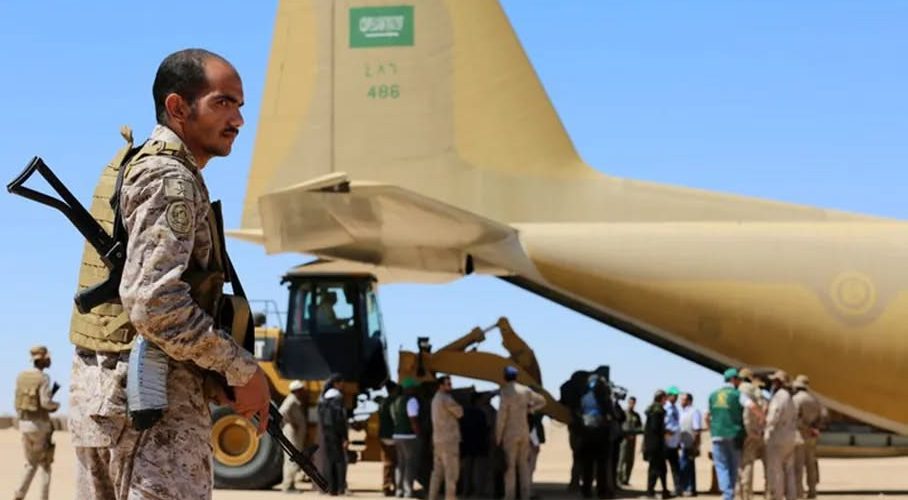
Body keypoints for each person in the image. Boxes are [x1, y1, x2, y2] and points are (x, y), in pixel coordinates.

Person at [69, 48, 270, 499]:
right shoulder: (168, 178)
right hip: (150, 409)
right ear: (178, 107)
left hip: (109, 399)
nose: (238, 119)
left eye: (240, 105)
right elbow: (154, 304)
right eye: (223, 103)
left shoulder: (138, 164)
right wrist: (241, 370)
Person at [13, 346, 60, 500]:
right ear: (42, 360)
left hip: (24, 424)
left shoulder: (21, 377)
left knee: (30, 463)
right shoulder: (43, 378)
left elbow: (17, 402)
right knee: (45, 464)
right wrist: (56, 405)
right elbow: (45, 402)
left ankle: (19, 494)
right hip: (40, 426)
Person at [496, 366, 546, 500]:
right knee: (524, 466)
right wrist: (531, 409)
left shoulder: (505, 392)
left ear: (505, 377)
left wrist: (498, 437)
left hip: (509, 433)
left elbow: (502, 417)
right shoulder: (525, 391)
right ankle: (526, 494)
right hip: (524, 431)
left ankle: (509, 496)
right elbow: (542, 401)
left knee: (510, 467)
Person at [707, 368, 745, 500]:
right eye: (738, 379)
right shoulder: (737, 394)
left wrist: (712, 430)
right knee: (734, 466)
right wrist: (762, 417)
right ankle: (729, 494)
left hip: (717, 435)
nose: (740, 382)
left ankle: (727, 494)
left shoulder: (713, 395)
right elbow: (751, 406)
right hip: (734, 435)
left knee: (722, 466)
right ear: (733, 380)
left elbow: (707, 416)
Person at [577, 373, 615, 499]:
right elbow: (612, 415)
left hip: (587, 434)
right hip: (601, 434)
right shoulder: (605, 399)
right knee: (601, 466)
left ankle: (586, 490)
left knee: (587, 465)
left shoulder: (584, 398)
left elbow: (580, 412)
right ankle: (601, 491)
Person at [734, 368, 767, 500]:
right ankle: (747, 494)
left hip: (739, 430)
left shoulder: (738, 390)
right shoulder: (754, 389)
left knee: (739, 463)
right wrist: (758, 426)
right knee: (748, 462)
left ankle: (739, 493)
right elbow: (763, 406)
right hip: (752, 430)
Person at [429, 375, 464, 500]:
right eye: (448, 384)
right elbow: (460, 413)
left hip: (438, 440)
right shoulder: (446, 398)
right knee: (451, 473)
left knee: (437, 473)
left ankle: (432, 496)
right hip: (449, 440)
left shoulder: (435, 399)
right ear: (441, 386)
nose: (451, 386)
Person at [764, 371, 797, 500]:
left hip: (778, 436)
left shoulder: (779, 396)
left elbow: (774, 416)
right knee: (789, 470)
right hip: (790, 436)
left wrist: (766, 426)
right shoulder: (789, 397)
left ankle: (777, 496)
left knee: (776, 470)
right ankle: (791, 496)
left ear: (778, 382)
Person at [792, 375, 824, 499]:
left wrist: (805, 427)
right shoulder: (814, 399)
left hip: (800, 435)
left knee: (798, 466)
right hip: (812, 436)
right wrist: (814, 428)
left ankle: (799, 492)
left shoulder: (796, 399)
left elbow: (794, 418)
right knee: (811, 464)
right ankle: (812, 490)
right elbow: (823, 416)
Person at [318, 376, 349, 495]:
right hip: (336, 434)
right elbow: (340, 419)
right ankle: (340, 488)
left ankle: (331, 488)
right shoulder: (338, 398)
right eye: (341, 383)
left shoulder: (323, 399)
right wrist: (345, 437)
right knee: (340, 461)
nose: (343, 385)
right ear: (336, 384)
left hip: (326, 433)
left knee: (329, 460)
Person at [393, 377, 422, 498]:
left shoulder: (397, 400)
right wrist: (418, 433)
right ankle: (408, 491)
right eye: (414, 387)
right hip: (408, 436)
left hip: (397, 435)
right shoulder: (412, 401)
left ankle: (399, 490)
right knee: (410, 463)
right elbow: (413, 419)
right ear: (409, 389)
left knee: (400, 464)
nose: (415, 390)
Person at [460, 392, 492, 498]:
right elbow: (485, 429)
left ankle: (466, 492)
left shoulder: (464, 412)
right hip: (479, 445)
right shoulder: (481, 413)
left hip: (466, 445)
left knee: (467, 471)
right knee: (478, 471)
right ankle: (478, 493)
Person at [280, 380, 309, 493]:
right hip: (292, 433)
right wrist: (292, 422)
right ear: (297, 391)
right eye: (301, 390)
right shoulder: (291, 400)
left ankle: (289, 484)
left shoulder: (295, 400)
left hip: (295, 434)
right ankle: (288, 486)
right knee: (292, 459)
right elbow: (282, 412)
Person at [643, 390, 671, 499]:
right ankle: (650, 492)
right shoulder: (657, 410)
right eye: (665, 398)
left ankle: (664, 491)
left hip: (653, 443)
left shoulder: (653, 409)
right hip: (656, 444)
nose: (666, 400)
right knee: (655, 468)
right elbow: (655, 428)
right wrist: (664, 432)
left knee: (662, 468)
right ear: (662, 398)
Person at [379, 382, 401, 496]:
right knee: (394, 463)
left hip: (383, 435)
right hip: (392, 435)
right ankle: (393, 486)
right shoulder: (395, 402)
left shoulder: (383, 402)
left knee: (387, 462)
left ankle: (387, 486)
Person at [678, 393, 702, 496]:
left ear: (689, 401)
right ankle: (685, 488)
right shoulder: (682, 412)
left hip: (690, 444)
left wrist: (695, 445)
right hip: (683, 444)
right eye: (681, 400)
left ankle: (689, 488)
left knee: (687, 466)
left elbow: (697, 430)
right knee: (684, 466)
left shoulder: (694, 412)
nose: (681, 402)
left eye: (683, 400)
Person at [618, 396, 643, 486]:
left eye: (633, 403)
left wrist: (634, 433)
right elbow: (619, 426)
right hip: (623, 440)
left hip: (632, 440)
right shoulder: (623, 414)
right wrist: (625, 434)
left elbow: (640, 428)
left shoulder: (636, 415)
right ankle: (619, 479)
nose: (631, 404)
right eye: (630, 402)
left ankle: (626, 479)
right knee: (621, 460)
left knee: (630, 461)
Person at [664, 386, 682, 496]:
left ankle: (677, 488)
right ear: (668, 395)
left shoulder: (675, 408)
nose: (675, 397)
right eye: (673, 395)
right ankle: (664, 488)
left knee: (675, 467)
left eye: (676, 395)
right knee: (663, 467)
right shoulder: (665, 407)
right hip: (666, 441)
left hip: (674, 442)